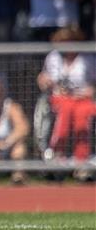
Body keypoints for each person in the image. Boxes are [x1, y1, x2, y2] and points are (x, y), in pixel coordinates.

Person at [37, 27, 95, 162]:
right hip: (59, 98)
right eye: (63, 41)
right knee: (65, 110)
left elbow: (93, 85)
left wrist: (90, 90)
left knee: (82, 114)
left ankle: (81, 160)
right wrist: (45, 81)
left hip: (83, 99)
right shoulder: (53, 57)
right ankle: (57, 155)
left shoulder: (88, 59)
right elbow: (43, 79)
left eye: (71, 41)